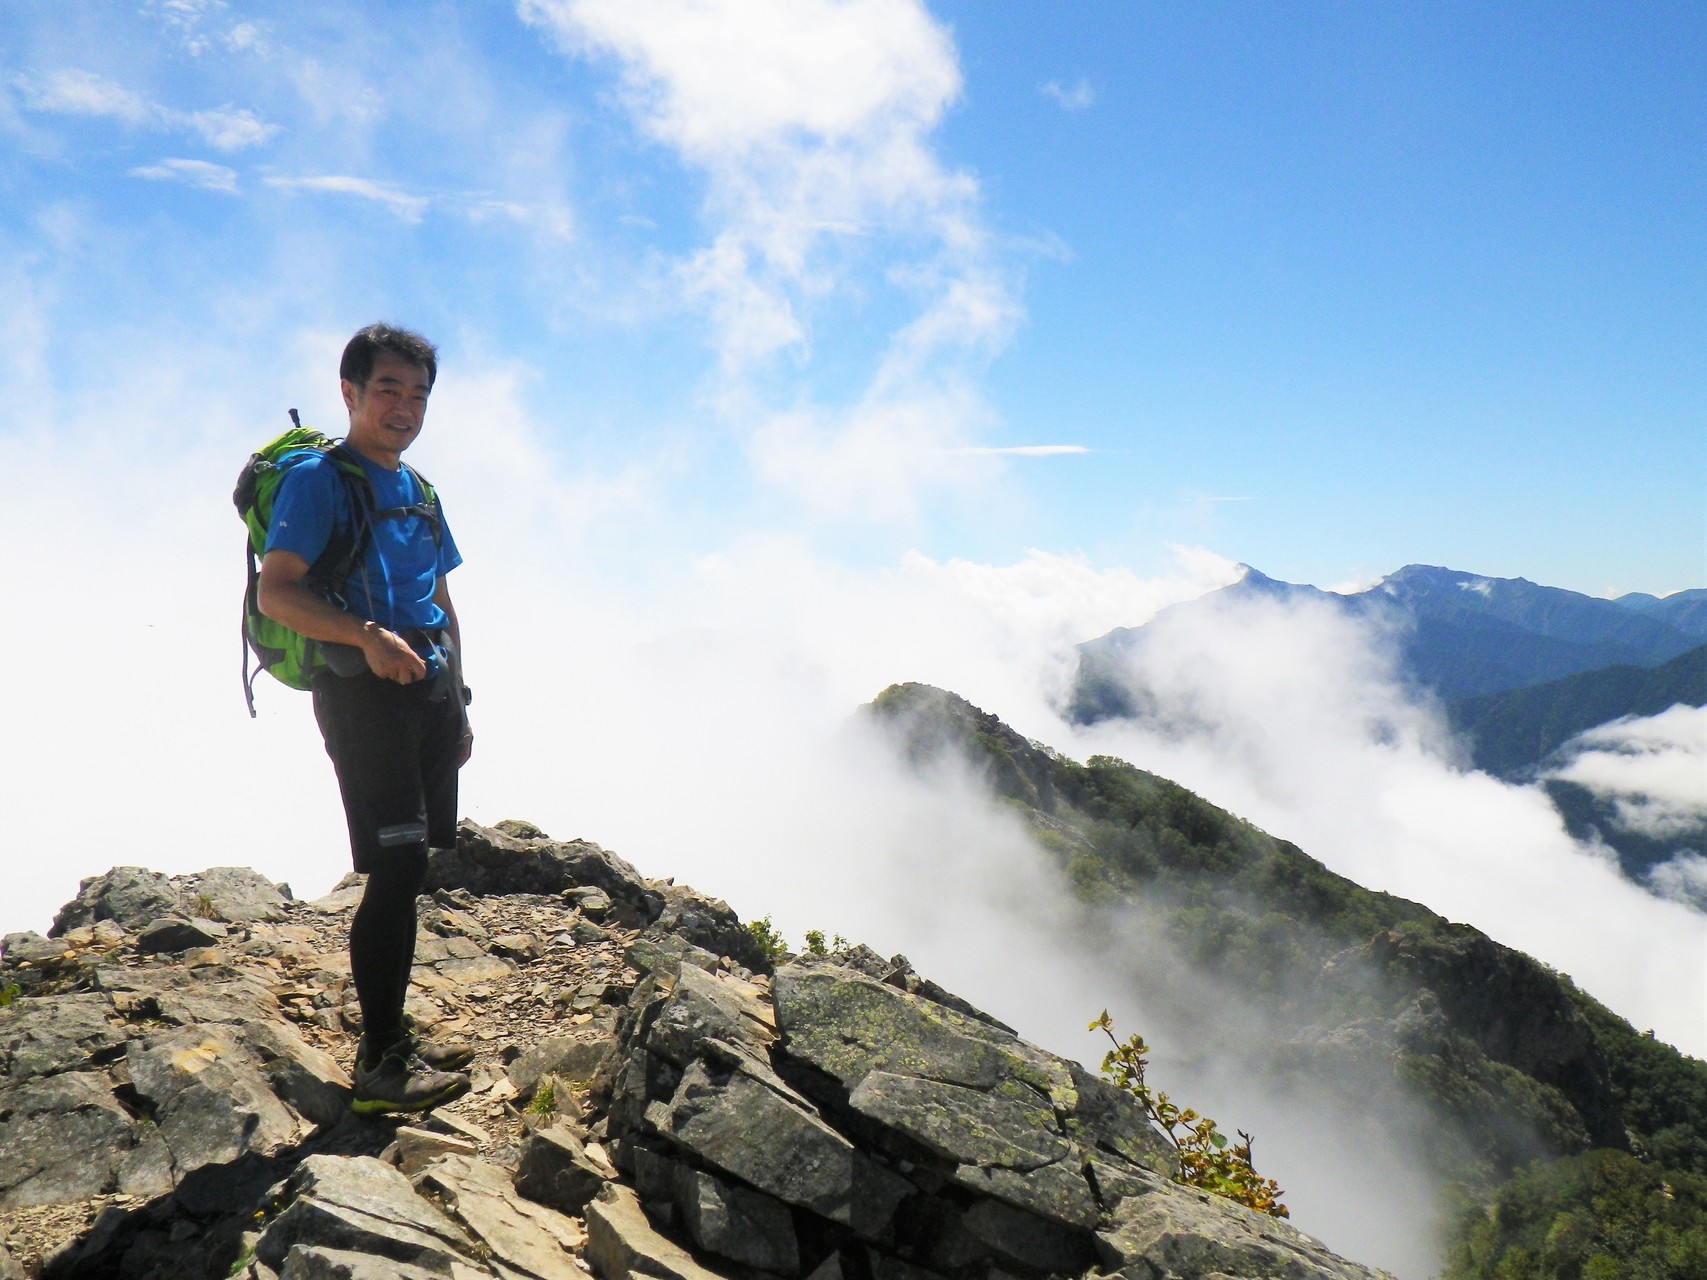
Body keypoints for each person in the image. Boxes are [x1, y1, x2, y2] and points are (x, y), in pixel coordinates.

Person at [258, 323, 475, 1115]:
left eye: (418, 394)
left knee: (414, 865)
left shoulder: (420, 490)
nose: (405, 408)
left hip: (427, 690)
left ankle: (393, 1036)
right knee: (395, 867)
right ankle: (382, 1061)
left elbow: (443, 602)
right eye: (388, 389)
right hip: (361, 692)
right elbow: (276, 592)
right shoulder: (321, 480)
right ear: (349, 391)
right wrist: (365, 637)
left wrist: (463, 700)